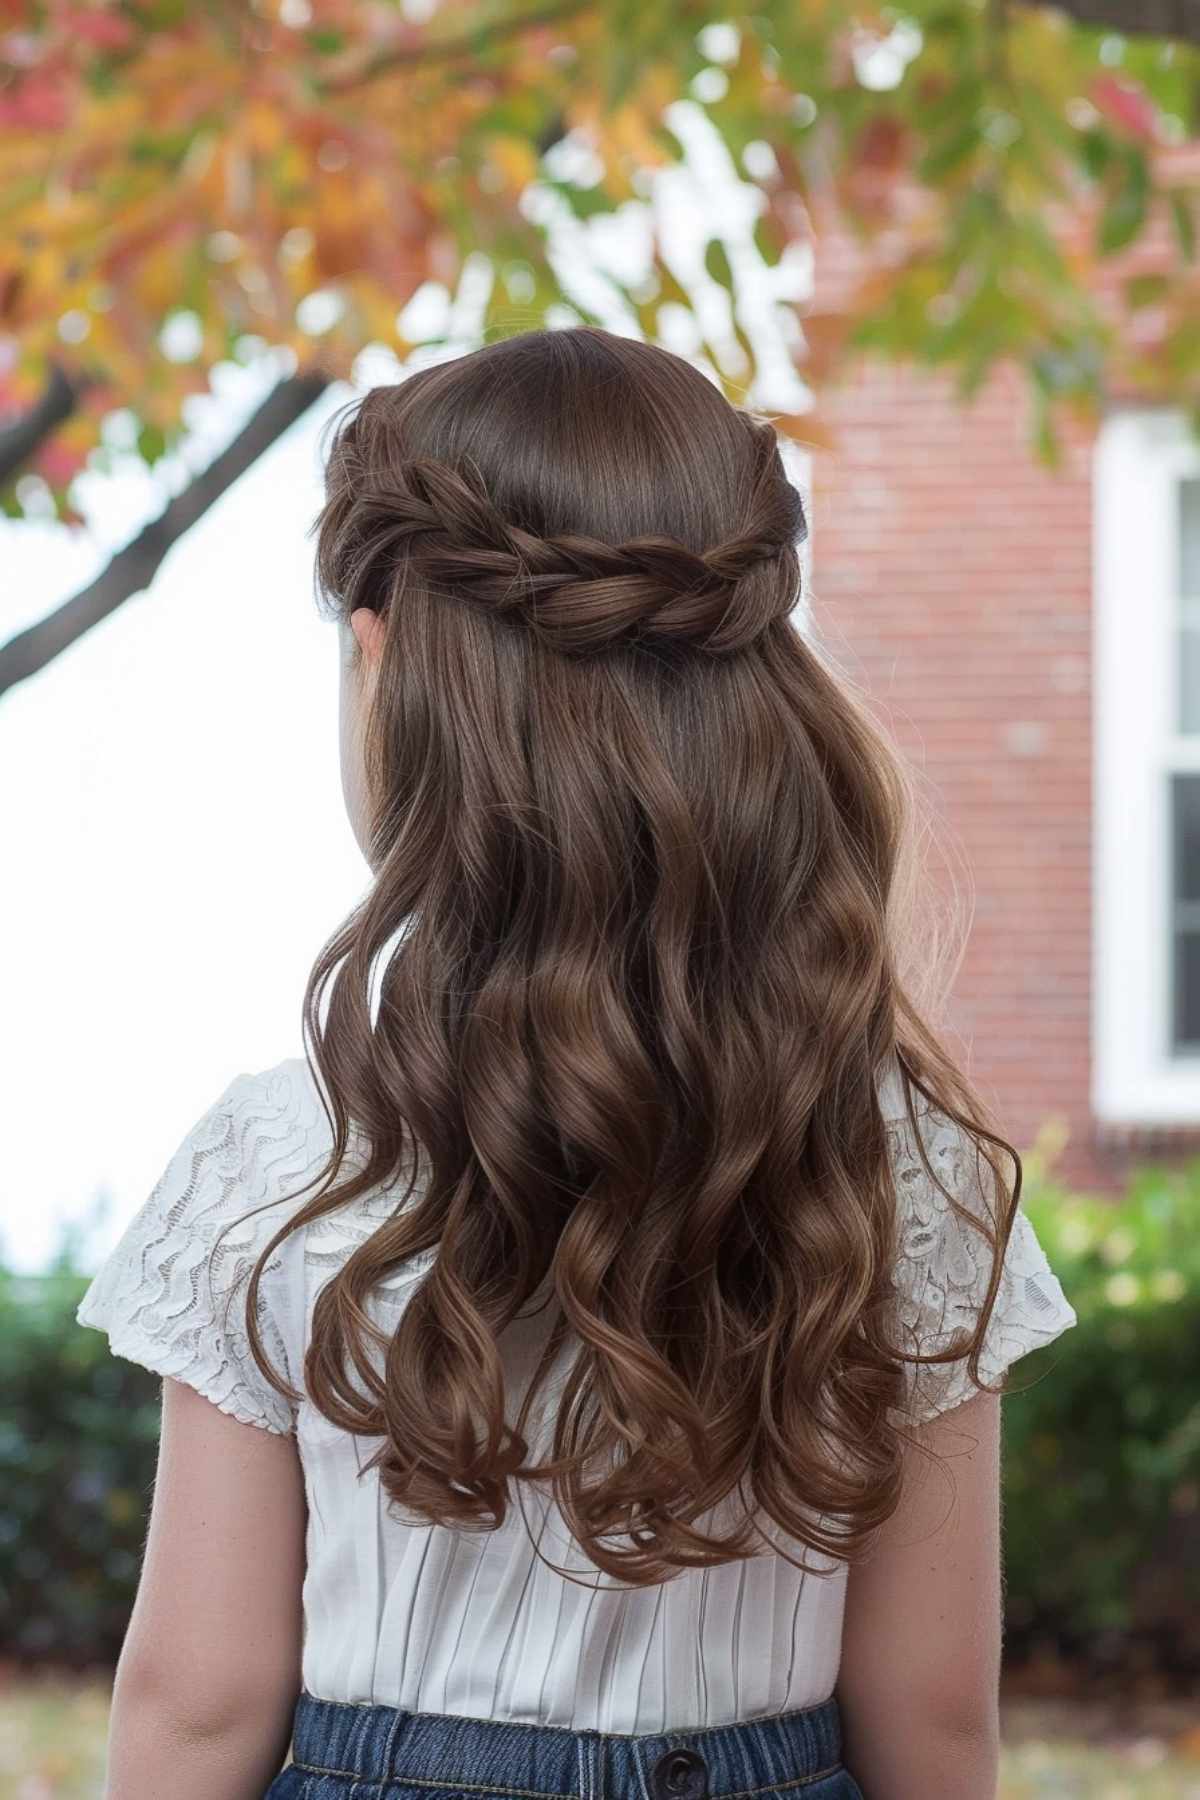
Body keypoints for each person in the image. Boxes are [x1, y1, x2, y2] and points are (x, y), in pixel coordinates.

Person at [76, 326, 1077, 1800]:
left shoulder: (281, 1159)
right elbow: (928, 1718)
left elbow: (198, 1705)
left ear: (383, 659)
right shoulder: (892, 1159)